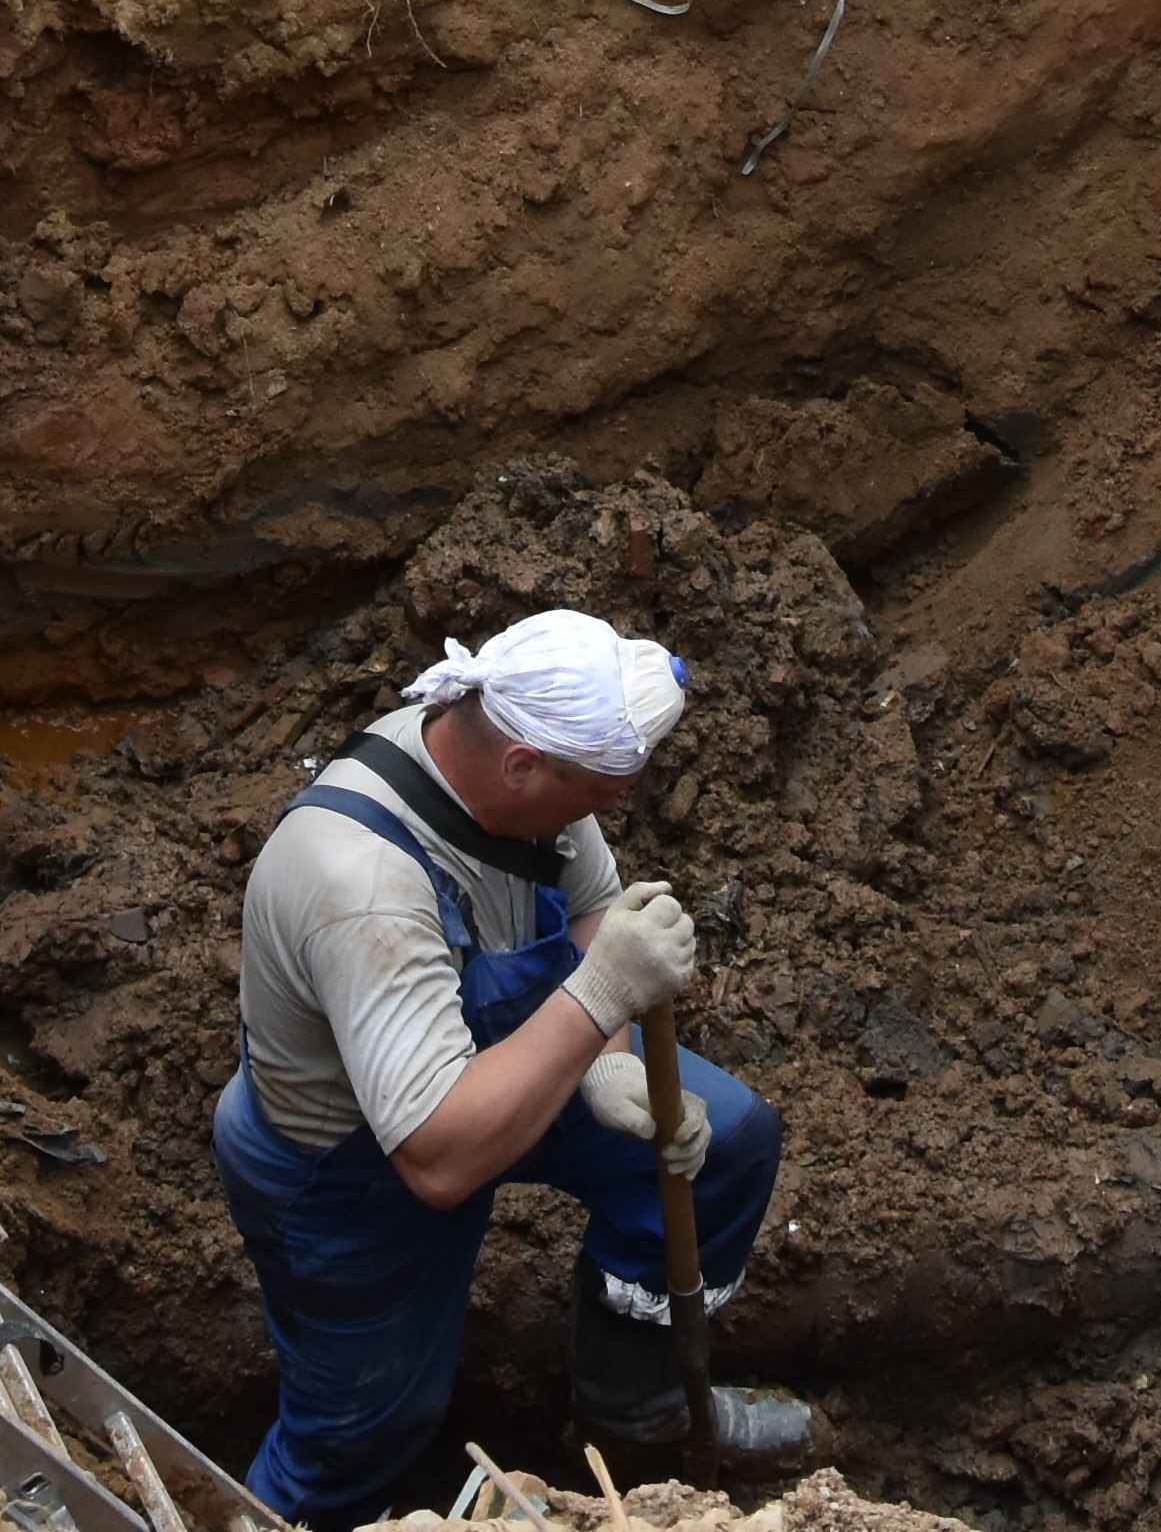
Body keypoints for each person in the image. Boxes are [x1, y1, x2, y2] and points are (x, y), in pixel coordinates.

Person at [213, 607, 814, 1525]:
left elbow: (589, 908)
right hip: (355, 1166)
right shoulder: (361, 883)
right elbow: (439, 1157)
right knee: (363, 1432)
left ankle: (633, 1405)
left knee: (726, 1140)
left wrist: (608, 1064)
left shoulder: (509, 762)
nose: (612, 811)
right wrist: (602, 993)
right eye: (603, 793)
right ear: (525, 765)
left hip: (494, 1063)